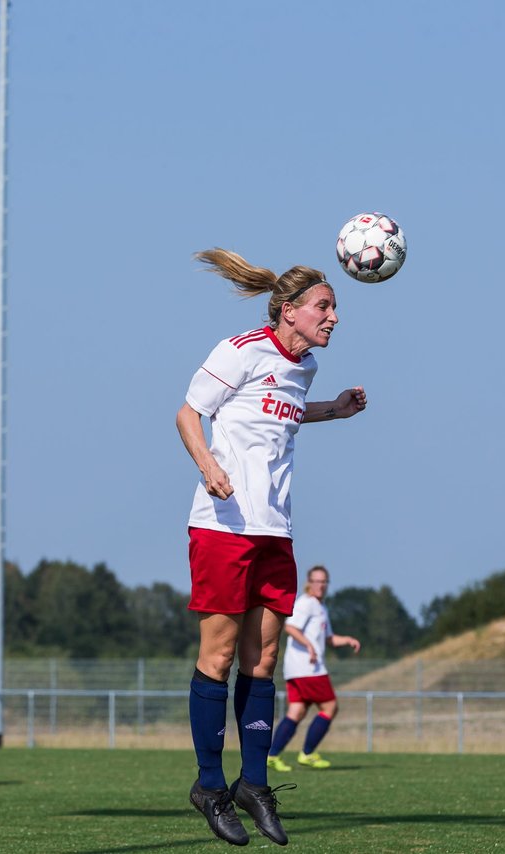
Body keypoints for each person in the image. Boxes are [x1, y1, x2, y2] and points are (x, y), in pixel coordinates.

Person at [178, 248, 367, 847]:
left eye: (334, 308)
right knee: (221, 653)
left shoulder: (304, 367)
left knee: (263, 662)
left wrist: (331, 411)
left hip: (275, 530)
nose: (333, 317)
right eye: (323, 306)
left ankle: (252, 783)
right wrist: (208, 466)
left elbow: (280, 415)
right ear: (289, 310)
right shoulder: (239, 349)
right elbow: (188, 414)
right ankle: (209, 784)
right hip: (223, 524)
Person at [267, 565, 360, 771]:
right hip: (308, 668)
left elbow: (328, 639)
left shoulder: (321, 607)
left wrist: (348, 640)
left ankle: (272, 755)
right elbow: (290, 627)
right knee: (330, 707)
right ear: (309, 583)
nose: (321, 585)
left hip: (298, 669)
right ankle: (307, 753)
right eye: (317, 581)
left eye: (324, 581)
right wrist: (308, 645)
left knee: (296, 711)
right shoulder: (306, 603)